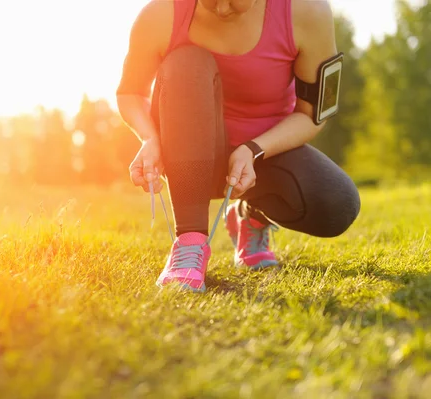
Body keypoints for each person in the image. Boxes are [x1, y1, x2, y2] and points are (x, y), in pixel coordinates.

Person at [116, 0, 361, 292]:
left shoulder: (308, 11)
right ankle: (189, 244)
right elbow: (130, 92)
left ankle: (251, 214)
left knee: (337, 204)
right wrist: (150, 139)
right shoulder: (161, 13)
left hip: (261, 156)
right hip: (186, 155)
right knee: (187, 62)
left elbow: (312, 116)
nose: (221, 9)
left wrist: (254, 149)